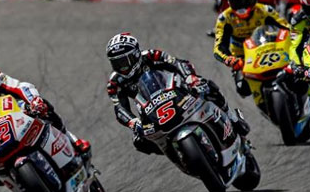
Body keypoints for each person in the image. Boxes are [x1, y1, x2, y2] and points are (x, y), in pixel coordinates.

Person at [0, 48, 90, 190]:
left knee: (45, 109)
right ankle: (15, 181)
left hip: (12, 115)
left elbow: (20, 86)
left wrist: (34, 100)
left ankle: (72, 141)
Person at [106, 33, 250, 155]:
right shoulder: (114, 82)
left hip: (175, 91)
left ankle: (233, 118)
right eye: (116, 63)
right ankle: (179, 153)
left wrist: (191, 78)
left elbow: (178, 63)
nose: (121, 67)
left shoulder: (151, 55)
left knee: (207, 86)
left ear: (136, 54)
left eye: (124, 61)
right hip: (150, 110)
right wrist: (133, 122)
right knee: (139, 142)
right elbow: (119, 108)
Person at [213, 0, 289, 94]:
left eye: (244, 1)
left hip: (269, 50)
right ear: (230, 3)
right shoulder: (225, 19)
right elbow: (218, 47)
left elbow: (287, 28)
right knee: (243, 88)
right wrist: (229, 59)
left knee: (293, 74)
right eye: (236, 3)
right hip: (242, 57)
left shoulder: (264, 10)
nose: (241, 7)